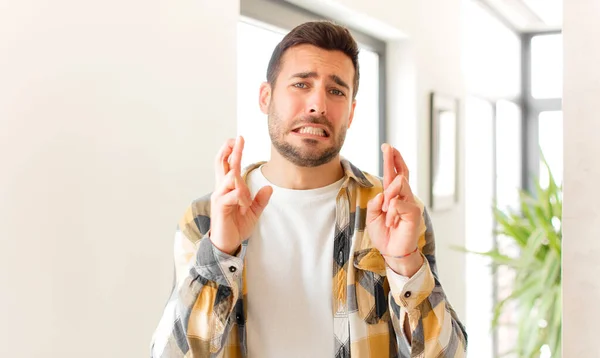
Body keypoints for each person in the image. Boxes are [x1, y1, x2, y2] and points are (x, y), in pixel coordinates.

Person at [151, 21, 467, 358]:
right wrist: (220, 251)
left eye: (336, 91)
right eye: (301, 84)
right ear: (265, 96)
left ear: (351, 112)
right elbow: (171, 353)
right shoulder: (206, 217)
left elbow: (447, 354)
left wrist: (404, 263)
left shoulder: (393, 212)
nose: (317, 105)